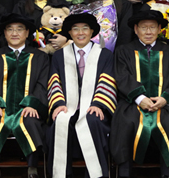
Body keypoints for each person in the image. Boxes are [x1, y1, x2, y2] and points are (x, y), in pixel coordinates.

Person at [110, 9, 169, 178]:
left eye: (152, 27)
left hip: (163, 104)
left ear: (160, 29)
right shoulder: (123, 51)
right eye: (144, 27)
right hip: (131, 103)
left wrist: (165, 98)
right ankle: (124, 173)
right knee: (126, 123)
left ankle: (168, 174)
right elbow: (121, 77)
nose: (148, 32)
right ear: (136, 29)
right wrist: (140, 98)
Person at [47, 13, 117, 178]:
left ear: (92, 31)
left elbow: (107, 81)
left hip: (93, 105)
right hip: (68, 106)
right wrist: (59, 104)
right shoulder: (59, 55)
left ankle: (96, 174)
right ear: (70, 33)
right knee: (60, 121)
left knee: (93, 120)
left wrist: (98, 104)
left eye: (85, 28)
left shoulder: (105, 54)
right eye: (75, 29)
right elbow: (54, 81)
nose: (80, 33)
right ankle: (62, 174)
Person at [0, 13, 49, 178]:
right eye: (10, 29)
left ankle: (32, 168)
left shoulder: (40, 57)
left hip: (27, 108)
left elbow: (43, 83)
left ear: (27, 33)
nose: (14, 33)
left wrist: (33, 103)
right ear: (4, 33)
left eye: (19, 29)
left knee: (31, 121)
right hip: (2, 107)